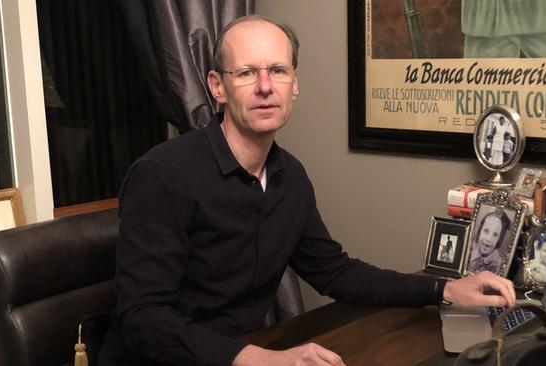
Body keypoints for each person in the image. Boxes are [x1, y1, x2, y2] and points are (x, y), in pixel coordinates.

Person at [99, 15, 515, 366]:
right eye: (246, 73)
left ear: (294, 84)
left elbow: (335, 272)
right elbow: (143, 319)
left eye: (278, 70)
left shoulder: (289, 176)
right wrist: (262, 358)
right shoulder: (162, 175)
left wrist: (445, 289)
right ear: (217, 86)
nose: (266, 86)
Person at [468, 208, 511, 274]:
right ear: (480, 231)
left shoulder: (499, 265)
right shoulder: (469, 252)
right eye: (486, 231)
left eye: (495, 235)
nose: (489, 239)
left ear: (499, 239)